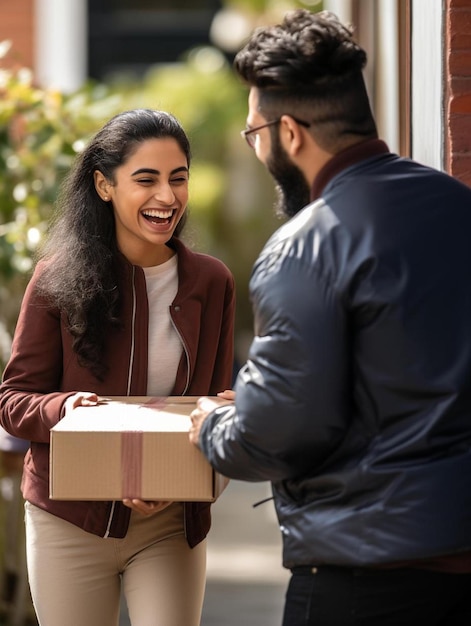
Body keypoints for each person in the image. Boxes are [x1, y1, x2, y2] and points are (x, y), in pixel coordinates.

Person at [189, 9, 471, 626]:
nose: (256, 149)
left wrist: (214, 427)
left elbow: (277, 434)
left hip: (367, 575)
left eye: (254, 134)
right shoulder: (457, 205)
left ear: (289, 132)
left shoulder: (305, 247)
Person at [0, 108, 235, 626]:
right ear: (105, 186)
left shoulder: (211, 282)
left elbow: (213, 400)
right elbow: (12, 402)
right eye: (145, 180)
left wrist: (230, 408)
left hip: (171, 517)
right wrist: (67, 408)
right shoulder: (55, 279)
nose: (167, 197)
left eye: (178, 179)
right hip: (70, 518)